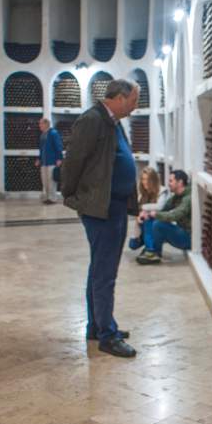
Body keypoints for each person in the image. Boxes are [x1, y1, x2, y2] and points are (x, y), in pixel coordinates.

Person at [59, 78, 140, 358]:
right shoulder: (92, 120)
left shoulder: (113, 122)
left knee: (100, 269)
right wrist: (73, 196)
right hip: (100, 208)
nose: (135, 107)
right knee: (105, 272)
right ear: (119, 97)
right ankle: (107, 335)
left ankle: (97, 325)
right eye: (133, 101)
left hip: (114, 206)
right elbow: (73, 162)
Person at [135, 170, 192, 264]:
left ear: (180, 182)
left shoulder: (188, 198)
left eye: (171, 181)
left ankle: (155, 253)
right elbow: (164, 208)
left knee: (159, 224)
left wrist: (156, 214)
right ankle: (150, 249)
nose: (168, 184)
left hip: (188, 239)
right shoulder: (177, 196)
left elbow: (175, 215)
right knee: (152, 220)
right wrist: (147, 213)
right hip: (181, 232)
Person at [127, 166, 161, 247]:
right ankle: (147, 242)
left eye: (147, 179)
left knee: (148, 219)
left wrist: (143, 208)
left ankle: (150, 250)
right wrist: (138, 217)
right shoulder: (142, 194)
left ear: (153, 180)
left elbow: (159, 207)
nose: (144, 182)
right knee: (132, 245)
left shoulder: (162, 191)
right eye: (143, 179)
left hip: (157, 223)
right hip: (143, 224)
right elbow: (136, 212)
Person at [36, 118, 64, 204]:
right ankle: (48, 197)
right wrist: (39, 159)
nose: (39, 126)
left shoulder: (53, 133)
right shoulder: (42, 135)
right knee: (45, 181)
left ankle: (53, 198)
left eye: (40, 124)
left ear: (46, 124)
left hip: (52, 161)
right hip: (44, 162)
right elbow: (41, 149)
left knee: (51, 181)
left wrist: (59, 158)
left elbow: (58, 146)